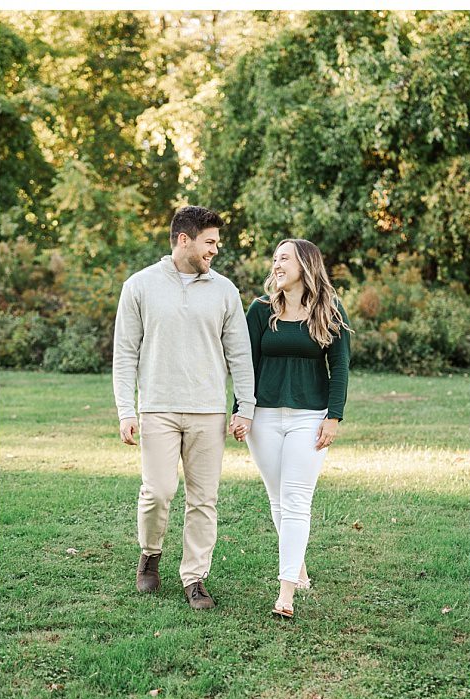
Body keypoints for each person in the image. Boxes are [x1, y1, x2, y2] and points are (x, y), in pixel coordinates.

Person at [112, 205, 255, 610]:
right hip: (157, 407)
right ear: (183, 239)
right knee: (157, 491)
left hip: (208, 412)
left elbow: (240, 356)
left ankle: (194, 578)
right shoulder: (139, 286)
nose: (215, 250)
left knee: (203, 499)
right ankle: (150, 554)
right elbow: (125, 354)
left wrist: (245, 407)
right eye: (209, 242)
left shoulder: (225, 290)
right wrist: (126, 409)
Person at [234, 238, 352, 619]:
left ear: (305, 263)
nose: (276, 264)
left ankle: (286, 592)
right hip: (263, 418)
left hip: (309, 418)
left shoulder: (330, 310)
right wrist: (242, 411)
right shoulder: (260, 310)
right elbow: (245, 366)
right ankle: (298, 567)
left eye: (284, 258)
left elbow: (341, 367)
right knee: (277, 499)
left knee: (297, 500)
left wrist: (333, 416)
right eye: (275, 259)